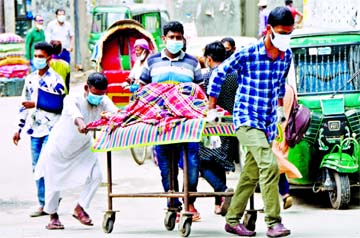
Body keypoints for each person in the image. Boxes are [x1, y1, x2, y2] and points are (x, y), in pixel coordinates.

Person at [207, 6, 294, 237]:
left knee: (250, 175)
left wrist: (278, 109)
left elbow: (279, 83)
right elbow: (219, 73)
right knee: (269, 165)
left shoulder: (287, 55)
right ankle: (274, 222)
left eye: (289, 33)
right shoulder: (249, 53)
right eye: (281, 33)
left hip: (266, 121)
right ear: (269, 30)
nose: (285, 38)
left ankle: (232, 219)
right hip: (246, 118)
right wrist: (211, 108)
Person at [34, 72, 118, 230]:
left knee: (97, 176)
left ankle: (80, 208)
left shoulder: (103, 100)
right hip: (59, 148)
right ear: (87, 88)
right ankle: (53, 217)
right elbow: (75, 114)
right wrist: (80, 123)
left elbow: (115, 114)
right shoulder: (72, 98)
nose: (98, 98)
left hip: (83, 148)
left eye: (102, 94)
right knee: (53, 183)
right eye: (95, 94)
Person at [139, 21, 203, 221]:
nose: (175, 41)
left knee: (192, 162)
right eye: (171, 37)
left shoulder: (192, 62)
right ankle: (173, 203)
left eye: (178, 37)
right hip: (160, 123)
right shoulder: (152, 61)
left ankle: (189, 201)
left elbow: (200, 91)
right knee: (166, 164)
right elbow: (143, 88)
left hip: (188, 122)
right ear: (164, 39)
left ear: (183, 39)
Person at [12, 42, 66, 218]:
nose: (37, 60)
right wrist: (18, 129)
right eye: (35, 56)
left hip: (51, 129)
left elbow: (58, 105)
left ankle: (51, 201)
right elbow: (24, 105)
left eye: (41, 57)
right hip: (34, 130)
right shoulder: (30, 79)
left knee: (48, 166)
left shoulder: (56, 80)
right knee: (37, 168)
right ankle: (43, 203)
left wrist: (36, 104)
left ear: (49, 58)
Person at [200, 41, 238, 215]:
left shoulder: (207, 78)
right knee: (220, 162)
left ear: (208, 59)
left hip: (212, 126)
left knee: (203, 162)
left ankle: (222, 190)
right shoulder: (235, 75)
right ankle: (219, 204)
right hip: (230, 127)